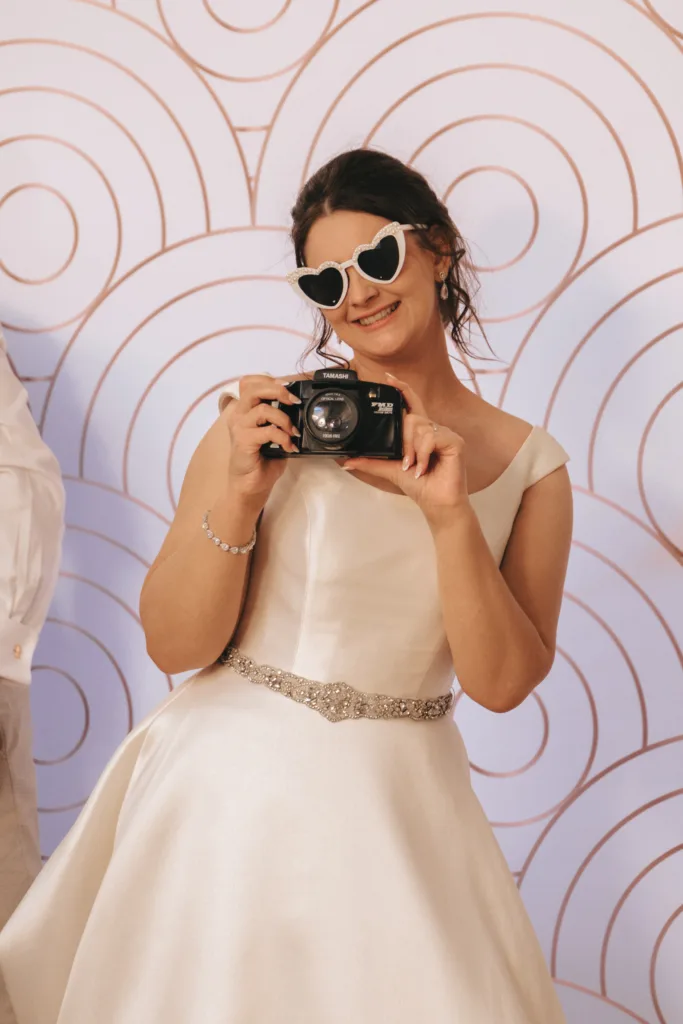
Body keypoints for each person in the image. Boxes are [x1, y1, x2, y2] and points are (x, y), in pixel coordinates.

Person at [0, 150, 572, 1023]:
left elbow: (499, 684)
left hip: (402, 807)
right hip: (227, 795)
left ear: (439, 251)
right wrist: (238, 489)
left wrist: (450, 517)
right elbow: (174, 644)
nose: (359, 294)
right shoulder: (265, 425)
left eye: (377, 259)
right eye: (326, 280)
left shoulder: (531, 467)